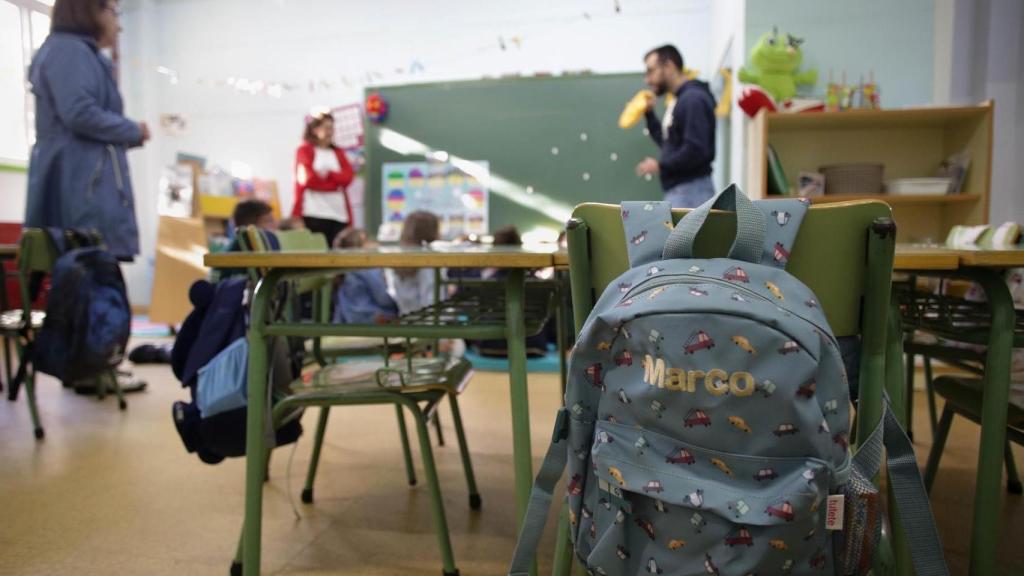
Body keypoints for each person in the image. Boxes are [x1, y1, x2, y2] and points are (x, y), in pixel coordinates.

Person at [25, 0, 150, 259]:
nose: (119, 25)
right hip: (78, 182)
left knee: (92, 273)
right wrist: (131, 130)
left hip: (84, 177)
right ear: (91, 11)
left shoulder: (79, 53)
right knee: (84, 269)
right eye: (115, 13)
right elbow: (79, 113)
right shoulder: (69, 51)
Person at [634, 44, 717, 208]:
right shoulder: (679, 100)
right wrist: (649, 115)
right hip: (684, 191)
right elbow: (669, 144)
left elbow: (695, 149)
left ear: (669, 66)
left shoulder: (692, 99)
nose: (647, 80)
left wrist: (660, 165)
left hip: (691, 192)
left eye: (651, 71)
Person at [291, 109, 354, 247]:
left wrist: (329, 175)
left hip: (338, 214)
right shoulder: (305, 150)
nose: (330, 132)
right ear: (314, 129)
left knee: (339, 256)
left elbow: (348, 178)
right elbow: (308, 179)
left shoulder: (338, 153)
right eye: (326, 127)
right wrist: (334, 185)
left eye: (332, 128)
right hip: (313, 214)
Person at [331, 228, 398, 324]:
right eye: (368, 240)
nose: (374, 243)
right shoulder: (366, 268)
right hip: (370, 319)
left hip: (351, 319)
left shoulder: (346, 272)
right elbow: (384, 299)